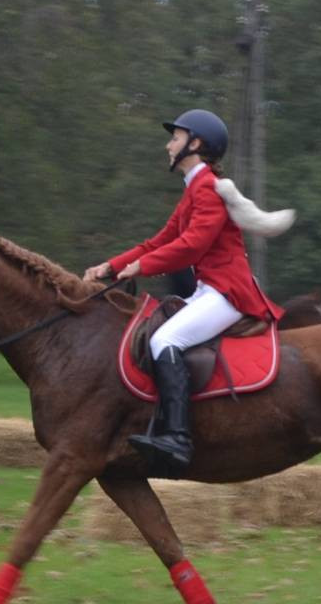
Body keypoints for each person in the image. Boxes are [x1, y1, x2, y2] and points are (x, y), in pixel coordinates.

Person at [83, 110, 284, 471]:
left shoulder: (207, 188)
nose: (167, 144)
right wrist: (110, 266)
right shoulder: (194, 189)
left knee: (164, 341)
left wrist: (142, 267)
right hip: (209, 291)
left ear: (196, 144)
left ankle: (177, 438)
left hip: (228, 293)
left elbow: (192, 245)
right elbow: (159, 241)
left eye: (174, 138)